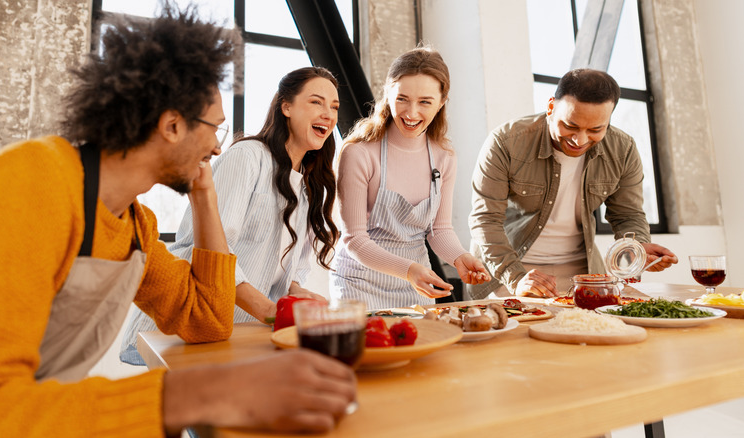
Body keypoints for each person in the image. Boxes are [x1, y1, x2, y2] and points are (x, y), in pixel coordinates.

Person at [0, 5, 356, 437]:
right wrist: (203, 394)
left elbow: (207, 319)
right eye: (214, 130)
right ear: (172, 125)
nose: (216, 148)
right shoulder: (32, 183)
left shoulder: (135, 225)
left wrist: (205, 197)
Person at [120, 67, 340, 364]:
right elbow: (214, 251)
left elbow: (284, 272)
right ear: (286, 106)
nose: (328, 113)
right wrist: (269, 310)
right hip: (190, 323)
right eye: (316, 102)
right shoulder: (247, 156)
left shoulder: (308, 183)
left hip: (242, 332)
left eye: (334, 106)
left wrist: (302, 299)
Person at [468, 68, 678, 299]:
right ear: (551, 107)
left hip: (582, 270)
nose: (580, 140)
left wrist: (636, 248)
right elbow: (485, 220)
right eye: (570, 126)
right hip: (510, 268)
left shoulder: (623, 149)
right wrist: (516, 278)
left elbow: (628, 215)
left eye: (596, 129)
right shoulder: (506, 142)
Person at [331, 46, 490, 310]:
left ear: (441, 102)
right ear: (388, 95)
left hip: (416, 285)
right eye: (402, 99)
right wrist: (408, 270)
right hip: (359, 285)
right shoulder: (359, 153)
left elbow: (439, 230)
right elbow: (354, 239)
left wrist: (460, 257)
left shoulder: (444, 157)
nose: (411, 113)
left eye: (425, 102)